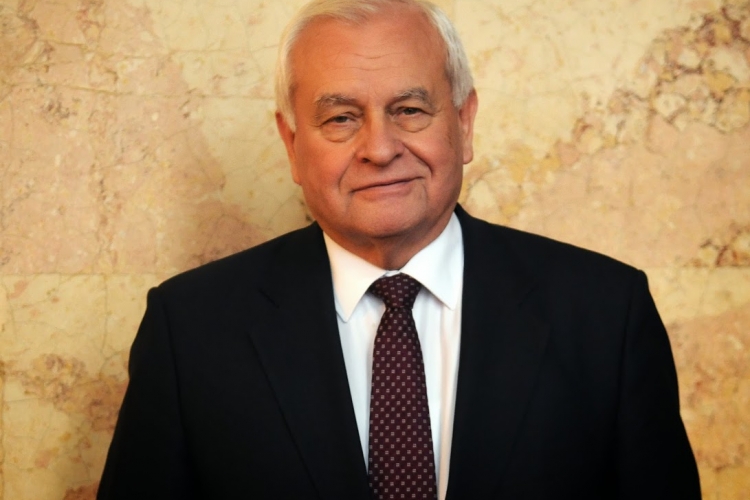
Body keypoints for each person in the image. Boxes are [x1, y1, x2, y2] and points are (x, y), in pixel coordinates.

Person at [97, 0, 701, 498]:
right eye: (340, 119)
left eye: (410, 110)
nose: (380, 149)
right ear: (291, 143)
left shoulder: (606, 313)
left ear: (464, 123)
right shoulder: (190, 330)